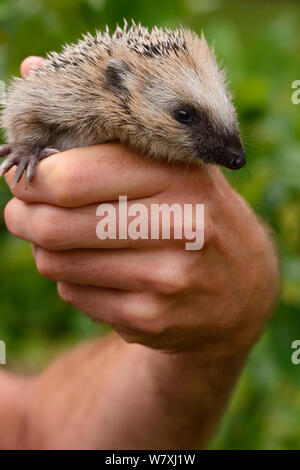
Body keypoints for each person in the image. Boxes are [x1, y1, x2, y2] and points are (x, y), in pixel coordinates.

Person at [0, 56, 279, 450]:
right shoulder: (76, 98)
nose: (235, 157)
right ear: (118, 86)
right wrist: (28, 148)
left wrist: (220, 332)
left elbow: (32, 429)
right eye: (185, 115)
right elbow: (25, 111)